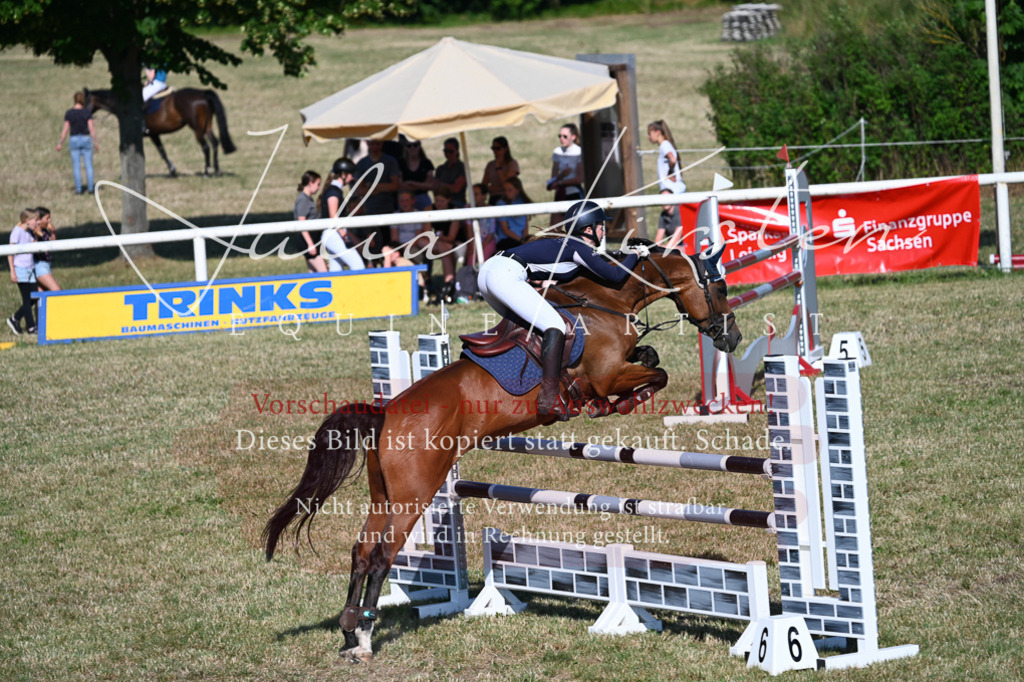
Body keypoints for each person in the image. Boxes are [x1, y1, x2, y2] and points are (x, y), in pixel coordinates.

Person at [477, 200, 648, 415]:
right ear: (588, 229)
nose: (604, 231)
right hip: (504, 275)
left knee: (527, 329)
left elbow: (599, 263)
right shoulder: (578, 247)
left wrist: (621, 254)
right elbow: (615, 276)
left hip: (490, 271)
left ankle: (522, 379)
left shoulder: (571, 245)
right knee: (555, 325)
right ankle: (549, 398)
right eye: (601, 226)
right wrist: (636, 254)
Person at [352, 139, 402, 261]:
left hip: (388, 210)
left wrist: (371, 186)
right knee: (372, 247)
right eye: (372, 143)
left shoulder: (390, 161)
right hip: (369, 212)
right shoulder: (362, 163)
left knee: (388, 247)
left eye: (378, 143)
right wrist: (382, 186)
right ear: (367, 144)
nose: (375, 147)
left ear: (382, 144)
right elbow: (359, 190)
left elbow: (395, 185)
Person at [319, 157, 365, 272]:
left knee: (336, 270)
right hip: (334, 234)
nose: (353, 177)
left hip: (332, 234)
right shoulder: (333, 192)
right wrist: (344, 234)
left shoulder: (334, 190)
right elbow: (333, 216)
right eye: (351, 174)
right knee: (358, 266)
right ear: (343, 174)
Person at [647, 120, 686, 251]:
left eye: (650, 133)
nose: (648, 137)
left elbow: (672, 159)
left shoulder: (664, 145)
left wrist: (670, 170)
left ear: (658, 132)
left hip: (673, 193)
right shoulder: (666, 145)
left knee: (680, 225)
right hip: (674, 192)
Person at [427, 188, 467, 302]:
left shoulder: (454, 211)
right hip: (438, 244)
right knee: (443, 247)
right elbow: (425, 235)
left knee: (444, 247)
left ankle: (448, 285)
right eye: (437, 200)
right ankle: (449, 284)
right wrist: (439, 239)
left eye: (442, 201)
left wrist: (439, 238)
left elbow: (451, 237)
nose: (439, 204)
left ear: (449, 200)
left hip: (455, 243)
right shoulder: (429, 209)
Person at [56, 91, 98, 195]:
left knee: (76, 166)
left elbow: (65, 129)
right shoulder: (87, 112)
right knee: (89, 165)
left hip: (74, 139)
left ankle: (78, 190)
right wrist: (96, 142)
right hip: (86, 138)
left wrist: (60, 142)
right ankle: (91, 189)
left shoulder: (69, 113)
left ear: (74, 100)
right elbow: (91, 128)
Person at [7, 209, 39, 335]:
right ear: (27, 220)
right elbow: (10, 252)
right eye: (35, 220)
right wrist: (12, 272)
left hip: (30, 268)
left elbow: (32, 245)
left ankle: (15, 318)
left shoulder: (29, 232)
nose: (37, 222)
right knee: (26, 299)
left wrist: (37, 235)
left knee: (34, 297)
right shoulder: (17, 232)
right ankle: (31, 327)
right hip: (21, 269)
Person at [547, 123, 584, 227]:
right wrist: (561, 176)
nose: (562, 139)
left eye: (565, 136)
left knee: (574, 228)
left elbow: (579, 179)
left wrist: (561, 182)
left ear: (573, 137)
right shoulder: (558, 152)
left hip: (574, 192)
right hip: (561, 193)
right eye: (560, 136)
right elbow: (553, 178)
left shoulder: (578, 152)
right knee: (554, 229)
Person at [294, 170, 326, 273]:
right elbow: (301, 223)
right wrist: (310, 244)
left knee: (313, 273)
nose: (319, 187)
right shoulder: (303, 199)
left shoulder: (308, 198)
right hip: (308, 240)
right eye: (318, 184)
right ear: (310, 183)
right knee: (324, 272)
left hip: (311, 239)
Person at [494, 177, 532, 251]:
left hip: (519, 240)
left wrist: (525, 239)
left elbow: (525, 225)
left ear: (518, 190)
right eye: (505, 190)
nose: (506, 192)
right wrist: (522, 240)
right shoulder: (501, 203)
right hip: (506, 240)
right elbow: (505, 230)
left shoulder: (523, 202)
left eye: (510, 190)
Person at [465, 183, 497, 268]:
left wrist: (482, 246)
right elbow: (469, 229)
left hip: (488, 241)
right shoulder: (468, 208)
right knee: (470, 262)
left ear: (484, 196)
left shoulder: (491, 209)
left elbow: (491, 232)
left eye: (476, 194)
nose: (473, 197)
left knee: (484, 261)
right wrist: (473, 245)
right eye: (472, 194)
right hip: (473, 242)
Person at [481, 136, 520, 204]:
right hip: (493, 198)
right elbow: (484, 186)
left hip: (508, 199)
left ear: (506, 149)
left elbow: (507, 184)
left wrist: (499, 168)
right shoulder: (490, 165)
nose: (495, 151)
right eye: (493, 148)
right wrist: (499, 188)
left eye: (498, 148)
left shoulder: (512, 164)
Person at [400, 139, 435, 210]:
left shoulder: (426, 163)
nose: (412, 148)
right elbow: (399, 185)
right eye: (409, 146)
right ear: (405, 148)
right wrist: (421, 185)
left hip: (423, 198)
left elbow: (431, 185)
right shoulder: (401, 163)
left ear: (419, 146)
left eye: (415, 145)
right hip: (405, 199)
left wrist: (411, 183)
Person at [32, 207, 60, 293]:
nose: (49, 220)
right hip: (39, 265)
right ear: (39, 219)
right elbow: (33, 247)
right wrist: (36, 235)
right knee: (57, 291)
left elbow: (53, 244)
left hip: (47, 264)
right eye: (47, 218)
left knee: (41, 295)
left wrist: (53, 233)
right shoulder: (34, 231)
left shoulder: (45, 231)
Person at [433, 137, 467, 207]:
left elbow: (456, 189)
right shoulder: (440, 168)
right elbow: (435, 188)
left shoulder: (461, 167)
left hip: (457, 202)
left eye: (450, 151)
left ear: (457, 151)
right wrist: (449, 186)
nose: (447, 154)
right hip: (440, 203)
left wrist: (441, 184)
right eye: (445, 151)